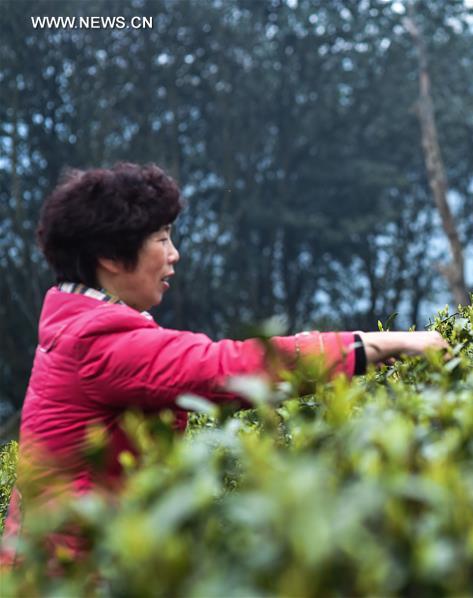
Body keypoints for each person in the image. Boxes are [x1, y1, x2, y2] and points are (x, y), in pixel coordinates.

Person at [1, 163, 448, 565]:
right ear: (112, 259)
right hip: (73, 571)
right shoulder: (96, 341)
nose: (173, 253)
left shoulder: (74, 322)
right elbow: (225, 369)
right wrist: (377, 344)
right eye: (161, 239)